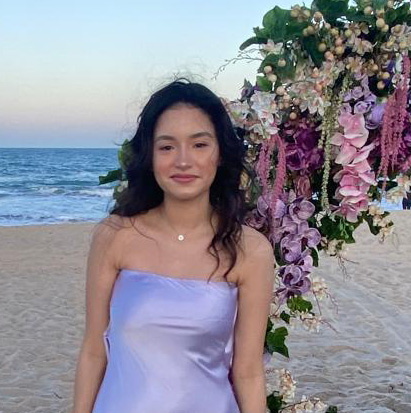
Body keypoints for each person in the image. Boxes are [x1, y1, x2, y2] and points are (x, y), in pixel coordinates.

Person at [71, 78, 275, 413]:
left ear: (220, 154)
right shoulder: (115, 236)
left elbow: (248, 372)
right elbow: (94, 350)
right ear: (150, 156)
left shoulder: (250, 251)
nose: (183, 161)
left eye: (199, 145)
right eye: (167, 147)